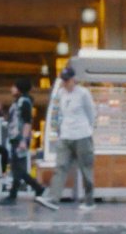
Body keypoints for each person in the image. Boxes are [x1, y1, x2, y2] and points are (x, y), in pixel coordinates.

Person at [35, 66, 96, 211]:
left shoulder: (83, 93)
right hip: (65, 136)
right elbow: (57, 113)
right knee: (60, 166)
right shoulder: (60, 94)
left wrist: (88, 129)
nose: (65, 83)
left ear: (74, 79)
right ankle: (53, 198)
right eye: (63, 80)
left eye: (67, 80)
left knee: (86, 169)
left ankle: (89, 200)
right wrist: (58, 129)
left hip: (82, 136)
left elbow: (91, 113)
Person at [1, 77, 48, 207]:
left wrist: (23, 140)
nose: (11, 89)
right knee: (17, 168)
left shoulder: (24, 102)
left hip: (19, 138)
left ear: (19, 89)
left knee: (17, 168)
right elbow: (11, 120)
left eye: (14, 87)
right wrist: (0, 110)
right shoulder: (17, 102)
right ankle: (37, 188)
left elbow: (27, 122)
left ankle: (13, 195)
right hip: (15, 138)